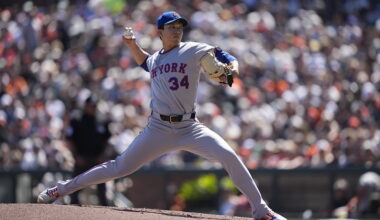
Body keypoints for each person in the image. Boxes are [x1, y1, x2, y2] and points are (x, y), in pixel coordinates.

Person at [37, 11, 286, 220]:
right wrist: (132, 44)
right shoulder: (156, 59)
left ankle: (261, 211)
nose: (177, 30)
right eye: (171, 27)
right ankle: (60, 190)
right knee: (119, 167)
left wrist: (232, 69)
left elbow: (227, 57)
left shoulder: (193, 49)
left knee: (229, 155)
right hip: (158, 128)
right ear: (160, 32)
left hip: (190, 127)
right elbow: (145, 61)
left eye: (180, 27)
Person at [65, 95, 111, 206]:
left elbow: (107, 140)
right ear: (85, 106)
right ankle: (72, 211)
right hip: (82, 158)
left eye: (94, 106)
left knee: (102, 189)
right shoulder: (77, 119)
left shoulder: (101, 120)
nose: (92, 108)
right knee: (75, 187)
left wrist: (103, 155)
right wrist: (76, 156)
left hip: (97, 158)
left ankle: (104, 213)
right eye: (90, 106)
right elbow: (69, 139)